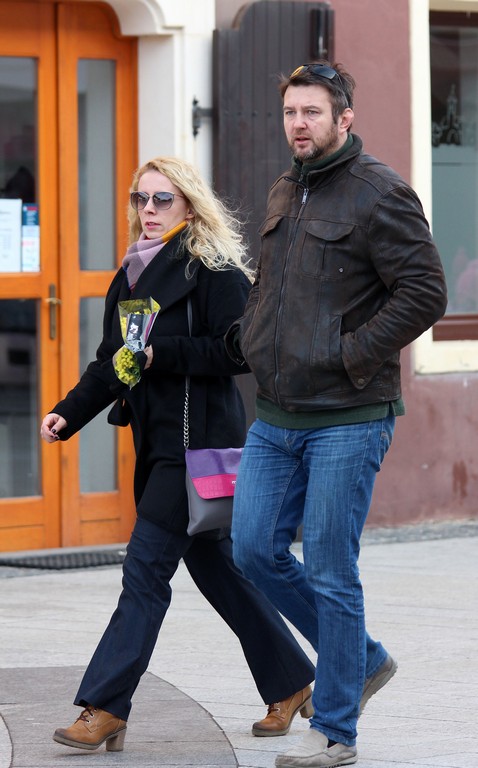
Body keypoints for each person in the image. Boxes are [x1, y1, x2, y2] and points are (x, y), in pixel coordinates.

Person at [40, 156, 315, 753]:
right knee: (219, 571)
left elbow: (239, 351)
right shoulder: (131, 276)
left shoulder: (213, 271)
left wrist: (161, 354)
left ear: (189, 205)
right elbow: (113, 362)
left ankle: (104, 705)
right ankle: (292, 681)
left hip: (197, 447)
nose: (149, 210)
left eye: (162, 199)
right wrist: (69, 412)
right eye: (141, 199)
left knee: (144, 572)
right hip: (158, 442)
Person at [226, 61, 448, 768]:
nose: (298, 124)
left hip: (350, 413)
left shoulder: (381, 193)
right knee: (252, 548)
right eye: (290, 111)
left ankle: (336, 730)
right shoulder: (284, 188)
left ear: (344, 118)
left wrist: (350, 353)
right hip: (278, 412)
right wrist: (252, 338)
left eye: (312, 112)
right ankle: (364, 658)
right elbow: (271, 285)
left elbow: (425, 292)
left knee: (329, 568)